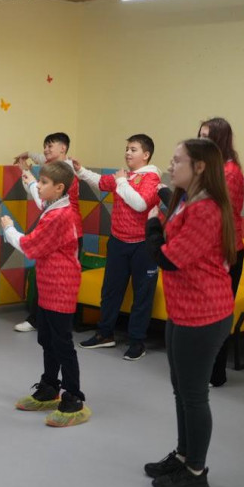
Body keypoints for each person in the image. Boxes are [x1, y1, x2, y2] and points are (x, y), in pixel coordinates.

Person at [144, 138, 235, 487]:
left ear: (199, 167)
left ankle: (196, 472)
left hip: (205, 314)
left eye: (177, 160)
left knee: (194, 395)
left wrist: (153, 227)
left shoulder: (206, 209)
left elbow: (169, 258)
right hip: (183, 310)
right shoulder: (187, 200)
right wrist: (159, 219)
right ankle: (183, 456)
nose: (171, 164)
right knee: (181, 389)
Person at [2, 161, 89, 427]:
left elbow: (30, 246)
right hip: (48, 284)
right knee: (47, 339)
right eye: (38, 181)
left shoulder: (58, 216)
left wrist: (9, 229)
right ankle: (50, 387)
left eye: (43, 183)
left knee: (62, 343)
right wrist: (28, 178)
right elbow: (39, 199)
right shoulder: (54, 206)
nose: (38, 187)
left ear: (59, 188)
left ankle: (73, 398)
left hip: (61, 287)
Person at [74, 134, 160, 361]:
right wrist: (81, 171)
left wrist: (121, 181)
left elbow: (140, 203)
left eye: (133, 149)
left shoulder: (151, 178)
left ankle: (137, 342)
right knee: (111, 291)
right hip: (118, 242)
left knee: (142, 295)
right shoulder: (126, 175)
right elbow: (102, 182)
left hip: (143, 245)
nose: (128, 153)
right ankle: (104, 334)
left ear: (146, 155)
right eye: (127, 149)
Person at [12, 132, 83, 332]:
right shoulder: (56, 167)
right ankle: (40, 321)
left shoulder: (67, 174)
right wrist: (28, 155)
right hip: (59, 232)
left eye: (50, 146)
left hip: (68, 234)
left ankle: (50, 323)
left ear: (63, 148)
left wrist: (28, 175)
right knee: (43, 276)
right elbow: (40, 159)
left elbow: (41, 201)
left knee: (59, 283)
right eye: (44, 146)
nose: (45, 150)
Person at [199, 118, 244, 387]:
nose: (201, 141)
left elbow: (217, 211)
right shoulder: (211, 168)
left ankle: (215, 373)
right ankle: (206, 369)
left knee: (217, 315)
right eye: (199, 136)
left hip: (227, 251)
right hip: (209, 250)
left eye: (207, 137)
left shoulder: (229, 172)